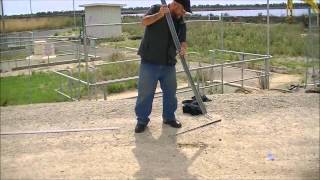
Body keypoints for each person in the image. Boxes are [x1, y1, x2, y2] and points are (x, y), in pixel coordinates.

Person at [134, 0, 192, 133]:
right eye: (183, 9)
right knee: (145, 93)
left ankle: (169, 118)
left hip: (168, 63)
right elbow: (144, 22)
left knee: (171, 93)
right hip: (149, 61)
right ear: (176, 4)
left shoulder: (181, 21)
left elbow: (183, 40)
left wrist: (183, 47)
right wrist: (159, 15)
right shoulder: (156, 9)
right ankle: (142, 120)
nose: (183, 13)